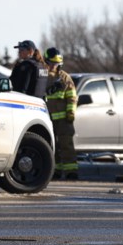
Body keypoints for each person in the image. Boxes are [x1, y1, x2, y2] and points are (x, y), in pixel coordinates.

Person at [43, 47, 79, 180]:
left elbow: (72, 96)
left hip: (64, 118)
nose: (53, 66)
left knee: (66, 145)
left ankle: (71, 172)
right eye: (51, 63)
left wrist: (71, 112)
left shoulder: (64, 77)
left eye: (56, 63)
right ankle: (55, 171)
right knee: (52, 146)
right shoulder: (42, 76)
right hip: (47, 118)